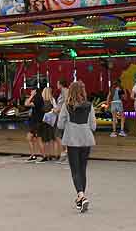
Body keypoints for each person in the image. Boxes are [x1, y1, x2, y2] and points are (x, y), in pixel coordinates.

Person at [57, 81, 96, 213]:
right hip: (86, 139)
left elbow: (60, 125)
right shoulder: (89, 106)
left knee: (75, 170)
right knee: (82, 169)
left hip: (72, 140)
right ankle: (81, 199)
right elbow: (93, 126)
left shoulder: (66, 106)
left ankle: (81, 195)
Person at [24, 87, 47, 163]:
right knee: (29, 137)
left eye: (32, 90)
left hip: (37, 123)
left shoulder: (38, 99)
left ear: (35, 91)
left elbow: (27, 104)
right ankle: (33, 155)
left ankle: (44, 156)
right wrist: (31, 96)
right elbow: (26, 103)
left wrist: (31, 96)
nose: (30, 91)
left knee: (38, 139)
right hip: (35, 122)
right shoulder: (36, 98)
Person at [39, 87, 57, 160]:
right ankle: (53, 155)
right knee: (52, 139)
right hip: (51, 122)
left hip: (43, 122)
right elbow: (55, 110)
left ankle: (46, 155)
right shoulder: (52, 100)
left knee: (45, 140)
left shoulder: (41, 101)